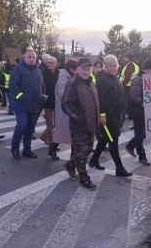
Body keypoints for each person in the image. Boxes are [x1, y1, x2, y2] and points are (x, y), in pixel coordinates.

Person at [88, 54, 133, 177]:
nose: (113, 68)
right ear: (105, 67)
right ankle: (119, 168)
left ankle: (93, 160)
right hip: (107, 117)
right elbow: (100, 99)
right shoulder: (102, 80)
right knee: (113, 140)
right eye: (111, 66)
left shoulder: (115, 78)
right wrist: (102, 115)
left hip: (115, 115)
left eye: (115, 66)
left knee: (105, 139)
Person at [62, 58, 100, 190]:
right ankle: (84, 178)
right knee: (83, 152)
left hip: (91, 124)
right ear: (77, 69)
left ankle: (70, 165)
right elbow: (66, 104)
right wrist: (78, 117)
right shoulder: (73, 83)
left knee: (87, 149)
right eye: (83, 68)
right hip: (79, 125)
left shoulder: (90, 83)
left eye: (88, 69)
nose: (86, 71)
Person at [9, 48, 44, 159]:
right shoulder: (18, 69)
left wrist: (43, 97)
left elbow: (43, 87)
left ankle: (27, 150)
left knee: (30, 128)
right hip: (21, 105)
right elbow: (13, 86)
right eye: (29, 57)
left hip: (35, 105)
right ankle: (14, 149)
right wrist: (21, 97)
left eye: (34, 57)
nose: (32, 59)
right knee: (22, 125)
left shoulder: (38, 71)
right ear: (24, 58)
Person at [124, 58, 151, 166]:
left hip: (146, 111)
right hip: (138, 111)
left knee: (144, 133)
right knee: (140, 134)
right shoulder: (138, 80)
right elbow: (134, 95)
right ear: (145, 69)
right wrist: (143, 104)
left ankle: (130, 146)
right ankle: (142, 156)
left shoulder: (149, 79)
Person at [50, 59, 78, 161]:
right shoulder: (63, 78)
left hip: (67, 109)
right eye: (76, 69)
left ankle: (52, 149)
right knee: (62, 132)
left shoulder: (69, 77)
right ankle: (52, 150)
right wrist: (73, 99)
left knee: (65, 132)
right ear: (71, 69)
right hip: (63, 110)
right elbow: (62, 94)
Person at [40, 56, 60, 146]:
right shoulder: (43, 73)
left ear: (55, 64)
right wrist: (45, 97)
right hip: (48, 102)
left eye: (52, 63)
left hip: (57, 101)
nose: (49, 64)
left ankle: (44, 135)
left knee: (56, 123)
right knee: (50, 124)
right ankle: (51, 142)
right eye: (48, 62)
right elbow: (40, 88)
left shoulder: (58, 73)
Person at [119, 52, 139, 127]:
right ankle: (134, 122)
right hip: (132, 87)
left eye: (125, 57)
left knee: (123, 106)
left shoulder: (130, 65)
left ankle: (120, 124)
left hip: (126, 87)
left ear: (128, 58)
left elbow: (127, 77)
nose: (124, 58)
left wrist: (122, 84)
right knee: (129, 106)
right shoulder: (135, 65)